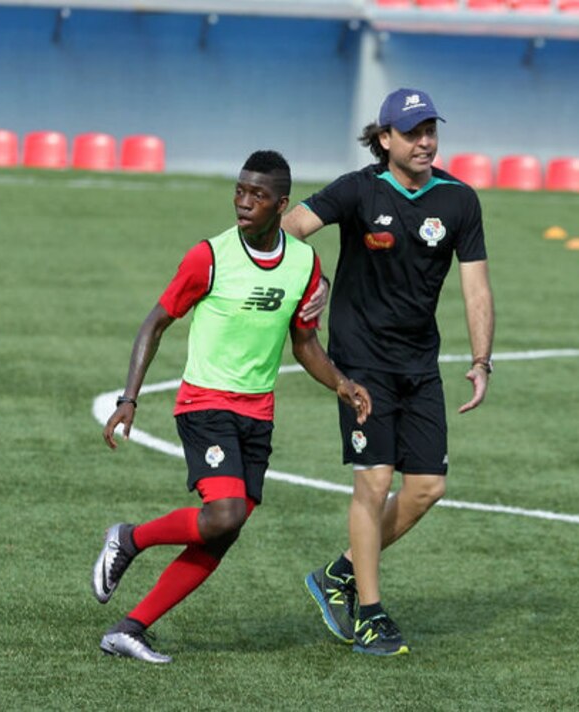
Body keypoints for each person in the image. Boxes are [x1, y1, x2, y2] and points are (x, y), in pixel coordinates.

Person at [93, 150, 371, 664]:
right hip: (204, 403)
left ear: (281, 204)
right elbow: (155, 322)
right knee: (224, 514)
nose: (243, 202)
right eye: (240, 191)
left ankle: (130, 629)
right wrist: (129, 398)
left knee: (224, 530)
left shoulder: (304, 263)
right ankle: (129, 539)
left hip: (257, 414)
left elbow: (304, 343)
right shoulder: (209, 256)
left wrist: (341, 383)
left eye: (257, 195)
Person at [282, 88, 495, 656]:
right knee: (374, 482)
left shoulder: (459, 200)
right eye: (412, 132)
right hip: (360, 363)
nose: (425, 141)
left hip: (420, 363)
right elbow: (291, 227)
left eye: (431, 131)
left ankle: (339, 573)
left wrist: (481, 360)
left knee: (427, 488)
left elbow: (476, 285)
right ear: (384, 139)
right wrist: (315, 282)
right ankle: (371, 616)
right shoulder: (358, 190)